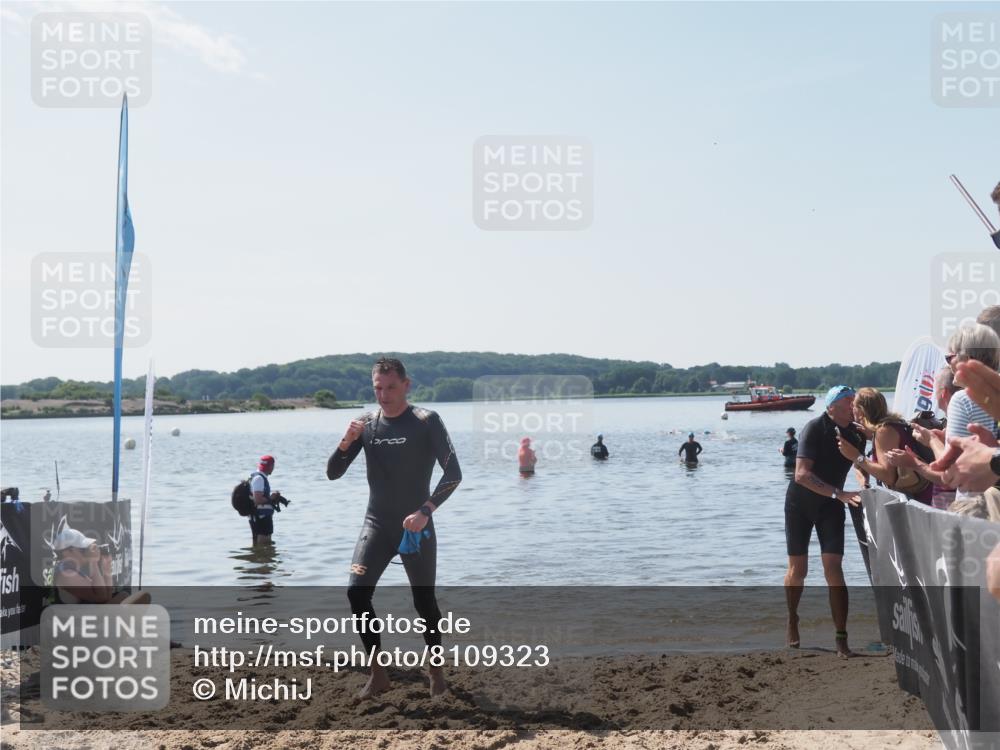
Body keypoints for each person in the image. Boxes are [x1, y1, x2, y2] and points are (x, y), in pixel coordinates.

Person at [327, 357, 462, 699]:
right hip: (376, 522)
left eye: (390, 387)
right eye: (377, 388)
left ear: (406, 385)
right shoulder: (366, 424)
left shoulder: (426, 421)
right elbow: (333, 473)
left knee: (424, 601)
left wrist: (425, 511)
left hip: (417, 525)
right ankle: (378, 673)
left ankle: (435, 671)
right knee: (357, 593)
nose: (383, 395)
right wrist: (346, 441)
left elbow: (453, 474)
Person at [783, 385, 865, 658]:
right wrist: (838, 493)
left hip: (831, 506)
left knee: (834, 568)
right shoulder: (814, 428)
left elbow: (861, 465)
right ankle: (793, 617)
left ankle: (841, 639)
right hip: (800, 504)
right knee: (799, 570)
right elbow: (801, 475)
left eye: (853, 399)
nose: (852, 403)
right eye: (846, 400)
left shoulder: (856, 433)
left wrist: (864, 488)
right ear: (832, 406)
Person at [837, 387, 932, 505]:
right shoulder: (895, 424)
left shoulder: (884, 431)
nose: (851, 408)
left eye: (853, 405)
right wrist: (872, 436)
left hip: (915, 501)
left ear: (861, 411)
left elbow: (888, 476)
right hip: (921, 495)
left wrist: (856, 456)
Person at [52, 524, 150, 605]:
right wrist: (93, 562)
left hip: (86, 616)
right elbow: (101, 597)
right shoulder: (67, 574)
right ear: (67, 552)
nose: (86, 551)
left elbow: (107, 596)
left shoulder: (73, 570)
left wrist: (107, 571)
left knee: (124, 596)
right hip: (76, 622)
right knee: (134, 599)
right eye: (83, 549)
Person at [248, 455, 283, 546]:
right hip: (261, 517)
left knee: (261, 547)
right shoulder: (259, 478)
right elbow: (258, 499)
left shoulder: (258, 477)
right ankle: (263, 558)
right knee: (264, 544)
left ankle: (258, 557)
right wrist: (271, 497)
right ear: (271, 466)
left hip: (259, 516)